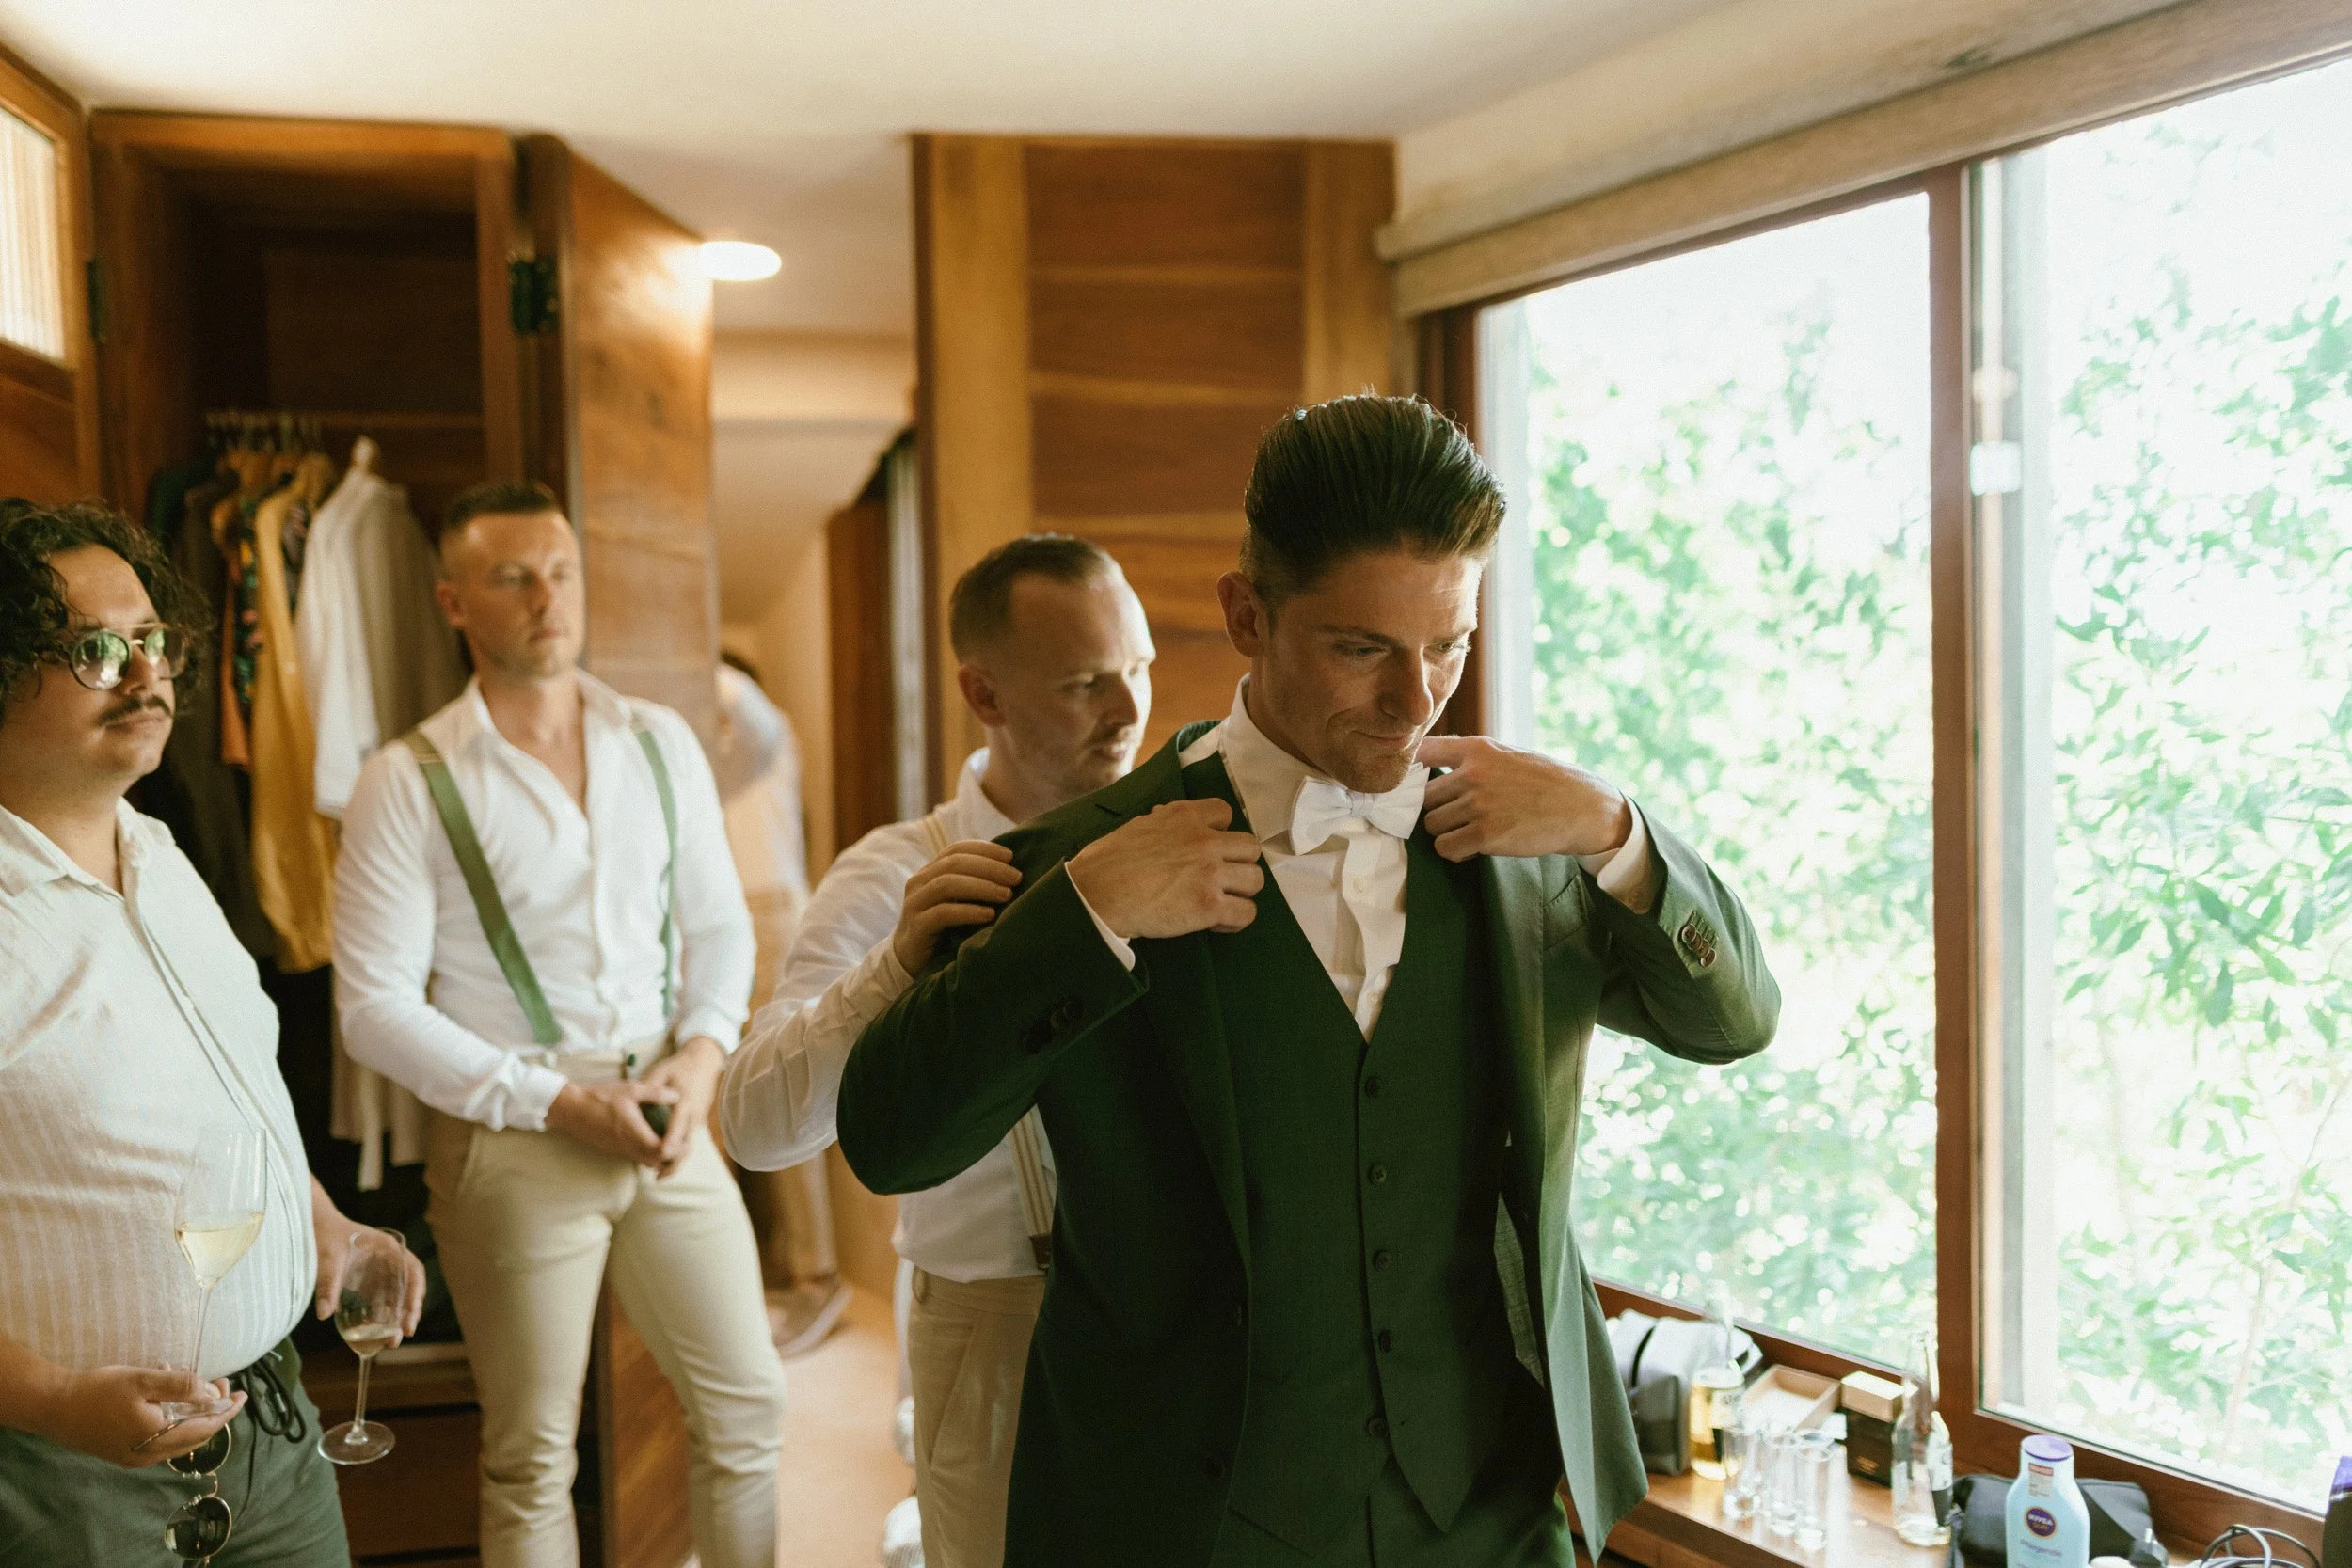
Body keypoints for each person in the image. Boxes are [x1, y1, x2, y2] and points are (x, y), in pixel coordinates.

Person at [837, 396, 1782, 1568]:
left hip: (1485, 1511)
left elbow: (1735, 1017)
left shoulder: (1528, 841)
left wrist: (1617, 827)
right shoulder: (1072, 863)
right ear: (1246, 613)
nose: (1416, 696)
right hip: (1186, 1521)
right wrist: (1083, 917)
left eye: (1449, 644)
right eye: (1361, 648)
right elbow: (891, 1138)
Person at [333, 482, 787, 1568]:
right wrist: (558, 1101)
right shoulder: (407, 779)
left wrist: (700, 1054)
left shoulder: (662, 742)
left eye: (563, 569)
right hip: (517, 1134)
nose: (549, 596)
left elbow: (719, 928)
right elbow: (372, 1010)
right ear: (452, 600)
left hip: (671, 1117)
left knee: (751, 1409)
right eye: (513, 576)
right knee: (533, 1454)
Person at [0, 499, 426, 1564]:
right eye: (95, 650)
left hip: (269, 1432)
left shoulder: (162, 853)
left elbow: (232, 1092)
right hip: (67, 1480)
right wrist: (51, 1397)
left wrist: (322, 1221)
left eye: (152, 642)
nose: (146, 677)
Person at [720, 532, 1155, 1568]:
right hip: (993, 1317)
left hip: (1164, 1303)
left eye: (1135, 666)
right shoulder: (893, 876)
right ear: (984, 693)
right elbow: (757, 1121)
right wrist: (897, 968)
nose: (1130, 709)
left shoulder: (1178, 838)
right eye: (1086, 681)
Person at [708, 655, 845, 1356]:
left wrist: (694, 663)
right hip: (712, 919)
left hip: (767, 913)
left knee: (787, 1087)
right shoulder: (706, 760)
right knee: (715, 1103)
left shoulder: (764, 732)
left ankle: (817, 1275)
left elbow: (749, 714)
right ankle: (733, 1283)